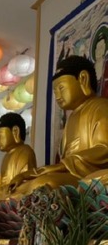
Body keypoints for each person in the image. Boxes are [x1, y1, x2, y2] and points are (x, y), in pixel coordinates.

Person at [12, 55, 108, 194]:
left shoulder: (100, 107)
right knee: (21, 188)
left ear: (83, 79)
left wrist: (61, 166)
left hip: (89, 176)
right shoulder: (71, 118)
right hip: (70, 174)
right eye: (55, 91)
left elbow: (104, 149)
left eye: (61, 88)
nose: (57, 96)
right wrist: (33, 173)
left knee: (43, 185)